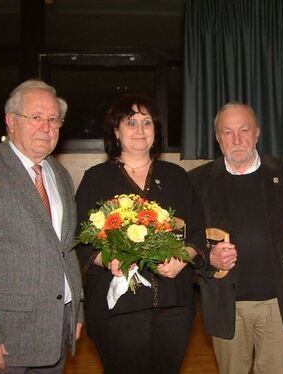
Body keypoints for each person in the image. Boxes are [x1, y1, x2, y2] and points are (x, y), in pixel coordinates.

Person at [0, 79, 84, 373]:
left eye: (53, 119)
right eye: (36, 117)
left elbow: (65, 250)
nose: (46, 127)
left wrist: (76, 312)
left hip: (54, 331)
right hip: (4, 341)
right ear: (11, 121)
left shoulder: (59, 174)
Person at [74, 94, 204, 373]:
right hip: (118, 307)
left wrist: (184, 257)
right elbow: (81, 241)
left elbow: (197, 232)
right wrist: (107, 259)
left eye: (147, 123)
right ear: (116, 131)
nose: (140, 130)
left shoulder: (176, 176)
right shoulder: (96, 179)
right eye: (131, 122)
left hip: (174, 304)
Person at [189, 102, 283, 374]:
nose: (237, 139)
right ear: (217, 138)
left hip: (277, 303)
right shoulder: (197, 181)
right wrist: (208, 258)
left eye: (244, 130)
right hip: (226, 304)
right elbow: (188, 243)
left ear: (257, 133)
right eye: (227, 132)